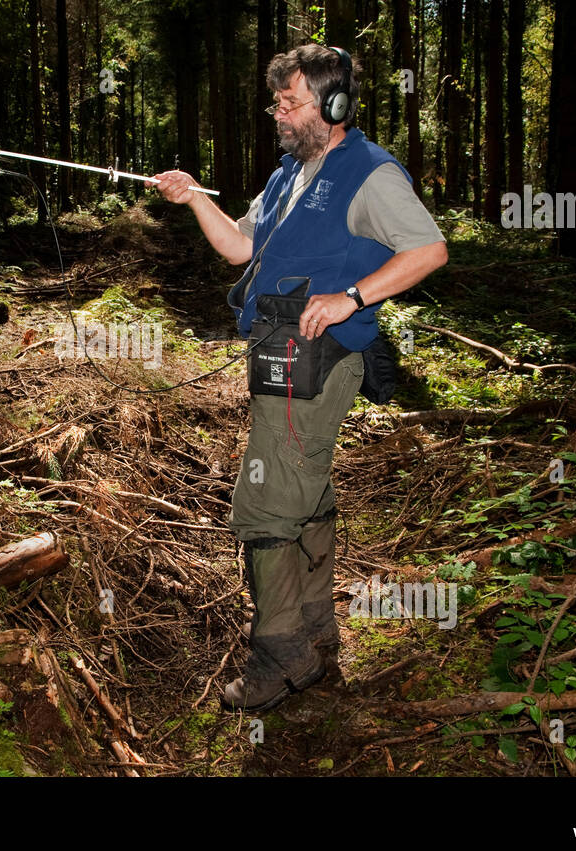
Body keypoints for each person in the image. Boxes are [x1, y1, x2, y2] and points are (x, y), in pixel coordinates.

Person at [152, 43, 447, 711]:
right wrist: (194, 197)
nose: (278, 114)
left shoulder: (370, 174)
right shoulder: (289, 174)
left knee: (264, 502)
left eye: (291, 102)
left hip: (317, 362)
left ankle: (281, 657)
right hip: (281, 353)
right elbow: (240, 247)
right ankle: (315, 623)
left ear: (334, 104)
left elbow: (429, 248)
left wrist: (354, 297)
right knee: (305, 484)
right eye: (276, 102)